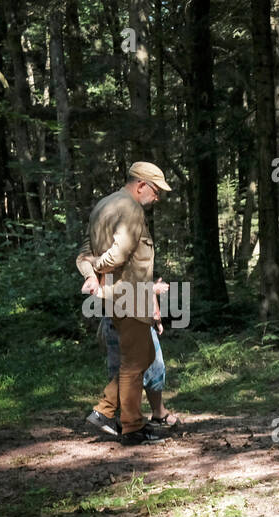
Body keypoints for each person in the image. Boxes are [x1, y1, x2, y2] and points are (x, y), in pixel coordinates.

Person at [77, 161, 174, 445]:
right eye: (156, 191)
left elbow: (84, 251)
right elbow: (117, 255)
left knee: (140, 357)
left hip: (115, 295)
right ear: (141, 185)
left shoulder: (102, 205)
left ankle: (106, 412)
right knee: (135, 361)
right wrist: (99, 266)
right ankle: (129, 426)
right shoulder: (131, 208)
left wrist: (92, 273)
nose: (157, 198)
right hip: (130, 294)